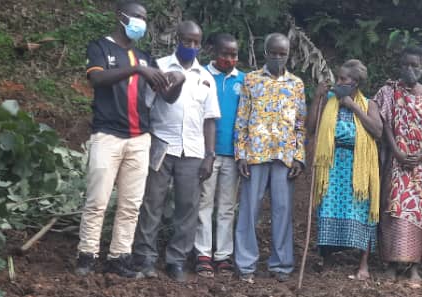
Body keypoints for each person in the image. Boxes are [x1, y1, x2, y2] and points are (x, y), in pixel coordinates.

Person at [76, 1, 173, 278]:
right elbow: (97, 80)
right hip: (107, 134)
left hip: (140, 138)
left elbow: (164, 93)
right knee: (97, 200)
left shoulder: (144, 56)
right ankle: (87, 255)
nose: (141, 22)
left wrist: (175, 79)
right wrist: (136, 70)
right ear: (120, 16)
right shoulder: (100, 47)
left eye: (145, 17)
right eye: (137, 16)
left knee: (131, 204)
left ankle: (119, 256)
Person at [131, 21, 220, 283]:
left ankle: (176, 260)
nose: (191, 46)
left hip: (193, 150)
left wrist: (210, 155)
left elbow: (210, 120)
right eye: (186, 41)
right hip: (161, 145)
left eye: (196, 42)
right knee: (152, 203)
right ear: (176, 40)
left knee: (187, 207)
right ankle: (145, 257)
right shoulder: (159, 67)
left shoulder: (206, 77)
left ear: (201, 45)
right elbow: (146, 106)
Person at [233, 33, 307, 283]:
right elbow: (242, 118)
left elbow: (300, 124)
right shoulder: (251, 80)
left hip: (284, 156)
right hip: (255, 154)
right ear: (265, 53)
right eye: (273, 53)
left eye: (282, 54)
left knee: (282, 211)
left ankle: (281, 265)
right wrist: (240, 154)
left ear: (288, 55)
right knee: (249, 210)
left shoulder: (296, 84)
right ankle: (245, 265)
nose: (277, 57)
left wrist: (299, 157)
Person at [308, 59, 383, 280]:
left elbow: (377, 131)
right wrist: (317, 98)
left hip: (359, 166)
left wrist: (353, 106)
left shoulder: (368, 104)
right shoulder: (329, 101)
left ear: (355, 83)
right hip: (332, 166)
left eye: (343, 79)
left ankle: (363, 265)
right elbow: (311, 127)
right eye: (338, 78)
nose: (338, 82)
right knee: (328, 208)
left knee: (361, 211)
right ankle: (327, 258)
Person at [374, 46, 422, 285]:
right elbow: (386, 125)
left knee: (419, 213)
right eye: (405, 65)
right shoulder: (389, 92)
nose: (410, 69)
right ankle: (392, 265)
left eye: (415, 65)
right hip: (397, 161)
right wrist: (397, 152)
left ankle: (414, 267)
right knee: (393, 209)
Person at [193, 34, 245, 277]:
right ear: (214, 52)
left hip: (232, 154)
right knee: (204, 203)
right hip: (206, 153)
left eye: (234, 55)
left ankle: (223, 255)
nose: (229, 59)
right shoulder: (201, 75)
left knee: (226, 207)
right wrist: (206, 152)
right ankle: (202, 254)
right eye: (225, 54)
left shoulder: (243, 80)